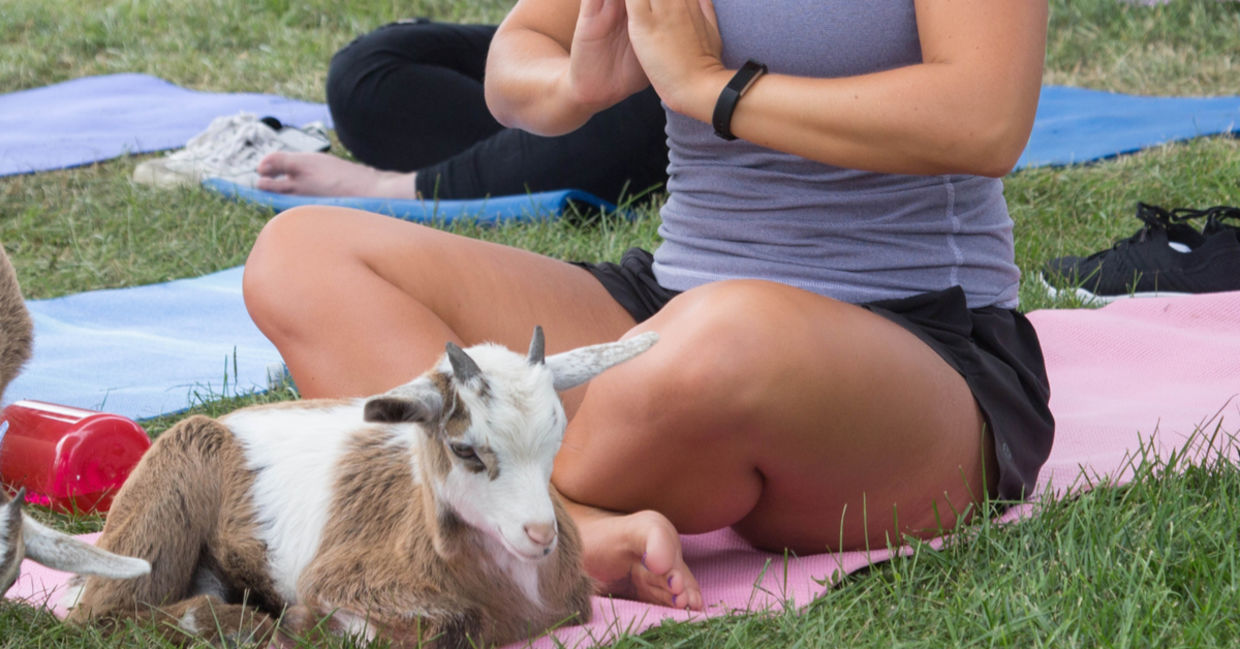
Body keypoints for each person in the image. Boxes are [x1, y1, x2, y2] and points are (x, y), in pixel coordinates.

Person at [242, 0, 1055, 611]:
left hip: (922, 342)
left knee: (722, 339)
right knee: (303, 256)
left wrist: (713, 88)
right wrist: (575, 83)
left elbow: (983, 116)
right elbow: (516, 57)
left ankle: (496, 517)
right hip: (672, 309)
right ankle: (564, 530)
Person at [254, 19, 669, 204]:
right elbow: (532, 33)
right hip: (635, 36)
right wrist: (557, 83)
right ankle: (529, 154)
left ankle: (400, 188)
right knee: (364, 79)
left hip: (681, 88)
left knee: (647, 108)